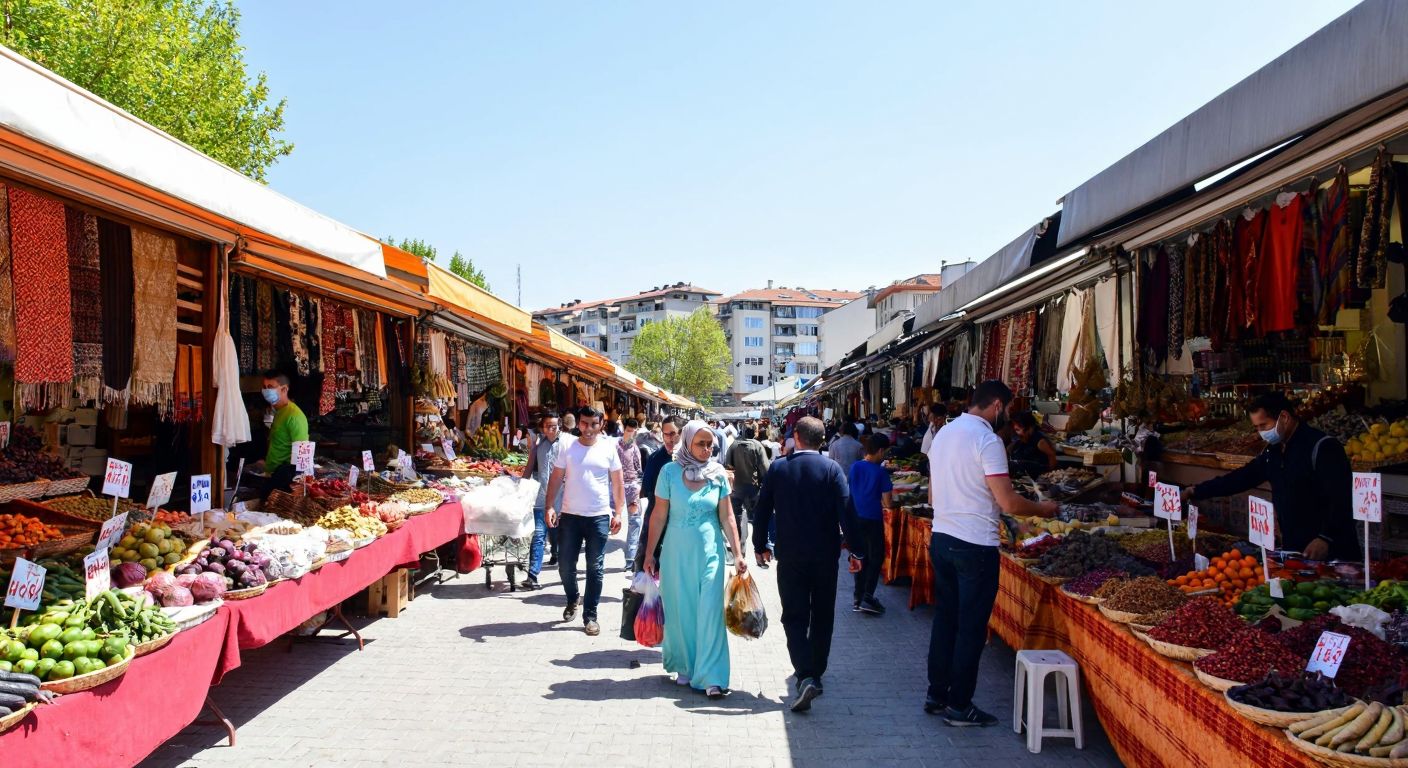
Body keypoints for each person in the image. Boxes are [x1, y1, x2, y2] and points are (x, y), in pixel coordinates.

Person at [925, 381, 1059, 727]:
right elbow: (1009, 501)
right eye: (1008, 409)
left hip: (941, 537)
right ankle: (959, 706)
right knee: (970, 628)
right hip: (974, 546)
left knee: (945, 620)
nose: (1009, 416)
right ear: (997, 405)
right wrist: (1044, 509)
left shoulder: (944, 434)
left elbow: (932, 496)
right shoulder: (987, 440)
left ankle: (937, 695)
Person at [752, 416, 861, 713]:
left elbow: (762, 510)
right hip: (826, 556)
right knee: (823, 614)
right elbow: (846, 512)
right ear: (822, 440)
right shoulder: (832, 469)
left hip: (791, 556)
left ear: (796, 437)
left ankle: (805, 674)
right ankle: (816, 672)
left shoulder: (779, 468)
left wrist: (759, 545)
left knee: (795, 616)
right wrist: (857, 552)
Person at [1186, 392, 1357, 560]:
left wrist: (1325, 537)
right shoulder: (1273, 451)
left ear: (1284, 417)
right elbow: (1241, 478)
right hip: (1296, 550)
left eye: (1264, 425)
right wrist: (1196, 490)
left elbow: (1341, 498)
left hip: (1333, 551)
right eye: (1256, 427)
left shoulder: (1323, 447)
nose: (1261, 432)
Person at [643, 420, 745, 699]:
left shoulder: (718, 475)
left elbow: (727, 517)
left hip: (710, 553)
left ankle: (712, 676)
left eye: (710, 444)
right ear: (687, 442)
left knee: (711, 612)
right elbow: (659, 515)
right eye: (701, 443)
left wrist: (737, 554)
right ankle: (686, 665)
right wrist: (650, 553)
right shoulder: (668, 472)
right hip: (675, 554)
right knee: (681, 612)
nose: (707, 449)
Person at [545, 407, 626, 636]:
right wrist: (550, 505)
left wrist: (618, 512)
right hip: (570, 516)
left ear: (601, 424)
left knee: (595, 567)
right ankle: (573, 598)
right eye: (584, 423)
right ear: (577, 424)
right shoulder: (567, 447)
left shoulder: (609, 447)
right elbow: (556, 477)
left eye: (593, 424)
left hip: (599, 516)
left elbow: (617, 482)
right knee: (565, 565)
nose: (588, 429)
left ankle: (590, 616)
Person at [848, 433, 894, 616]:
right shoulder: (881, 472)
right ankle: (867, 596)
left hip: (855, 518)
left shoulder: (855, 467)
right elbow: (888, 502)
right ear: (881, 451)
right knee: (875, 558)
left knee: (860, 557)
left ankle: (858, 597)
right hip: (873, 519)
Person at [522, 413, 569, 589]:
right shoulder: (538, 445)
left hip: (562, 500)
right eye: (548, 426)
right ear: (542, 427)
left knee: (556, 534)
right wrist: (521, 485)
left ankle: (556, 554)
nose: (551, 429)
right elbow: (529, 467)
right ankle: (532, 575)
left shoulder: (566, 445)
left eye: (554, 426)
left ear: (560, 427)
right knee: (539, 536)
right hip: (541, 499)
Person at [633, 418, 682, 573]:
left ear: (681, 434)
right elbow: (648, 491)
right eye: (666, 434)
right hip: (657, 519)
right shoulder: (655, 458)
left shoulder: (689, 460)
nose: (670, 438)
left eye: (673, 433)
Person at [258, 371, 308, 499]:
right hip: (273, 474)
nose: (265, 391)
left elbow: (302, 453)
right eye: (264, 387)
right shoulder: (279, 412)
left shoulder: (295, 416)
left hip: (285, 478)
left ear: (284, 389)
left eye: (270, 387)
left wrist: (295, 483)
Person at [724, 425, 770, 565]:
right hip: (753, 488)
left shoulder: (734, 445)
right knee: (757, 520)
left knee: (736, 519)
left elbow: (727, 465)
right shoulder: (757, 445)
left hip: (736, 488)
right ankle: (759, 548)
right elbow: (765, 468)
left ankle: (738, 550)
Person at [618, 417, 645, 569]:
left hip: (632, 487)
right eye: (628, 431)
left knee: (634, 521)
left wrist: (638, 487)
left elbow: (639, 470)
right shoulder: (615, 445)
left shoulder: (635, 448)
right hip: (616, 487)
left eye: (633, 432)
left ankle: (630, 559)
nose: (630, 434)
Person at [1008, 411, 1059, 477]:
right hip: (1021, 474)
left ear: (1029, 428)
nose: (1016, 431)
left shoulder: (1040, 441)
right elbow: (1009, 450)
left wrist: (1048, 474)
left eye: (1018, 429)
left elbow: (1052, 456)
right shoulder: (1019, 439)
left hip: (1036, 475)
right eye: (1015, 429)